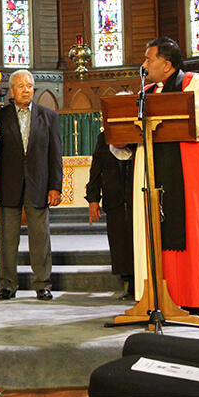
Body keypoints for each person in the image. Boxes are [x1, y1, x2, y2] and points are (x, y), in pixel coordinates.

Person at [110, 37, 199, 314]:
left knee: (186, 227)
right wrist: (120, 137)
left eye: (149, 59)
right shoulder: (146, 91)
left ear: (167, 63)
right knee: (152, 229)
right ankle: (155, 295)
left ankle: (191, 297)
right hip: (150, 171)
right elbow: (128, 132)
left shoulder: (194, 83)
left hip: (186, 170)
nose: (144, 64)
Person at [0, 70, 62, 301]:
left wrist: (55, 186)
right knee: (7, 238)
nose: (26, 89)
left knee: (40, 237)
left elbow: (55, 154)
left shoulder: (49, 116)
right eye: (21, 86)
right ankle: (7, 284)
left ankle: (43, 284)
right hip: (9, 185)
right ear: (12, 91)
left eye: (29, 85)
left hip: (39, 184)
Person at [85, 128, 134, 300]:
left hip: (137, 199)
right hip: (114, 200)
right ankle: (128, 282)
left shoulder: (139, 138)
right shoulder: (103, 139)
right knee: (119, 241)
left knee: (137, 241)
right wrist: (93, 200)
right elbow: (95, 171)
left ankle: (140, 282)